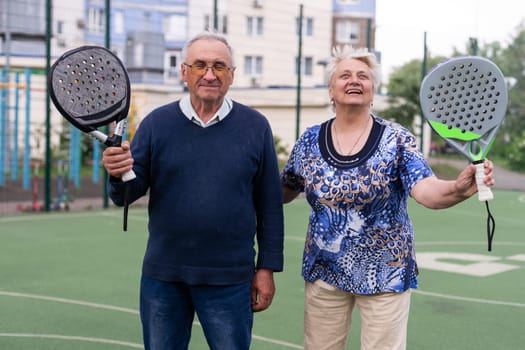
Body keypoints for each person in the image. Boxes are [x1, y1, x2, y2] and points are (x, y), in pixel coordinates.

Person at [280, 45, 495, 350]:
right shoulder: (310, 141)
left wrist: (457, 188)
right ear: (331, 89)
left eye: (363, 76)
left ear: (372, 90)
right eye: (345, 75)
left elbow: (426, 190)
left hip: (385, 273)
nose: (354, 81)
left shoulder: (396, 139)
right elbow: (284, 190)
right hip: (324, 273)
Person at [102, 31, 284, 350]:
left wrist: (266, 268)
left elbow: (269, 205)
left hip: (231, 278)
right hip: (164, 277)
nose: (210, 74)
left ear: (232, 75)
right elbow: (126, 195)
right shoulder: (156, 124)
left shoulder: (255, 126)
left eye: (219, 66)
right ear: (184, 72)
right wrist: (118, 173)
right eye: (200, 65)